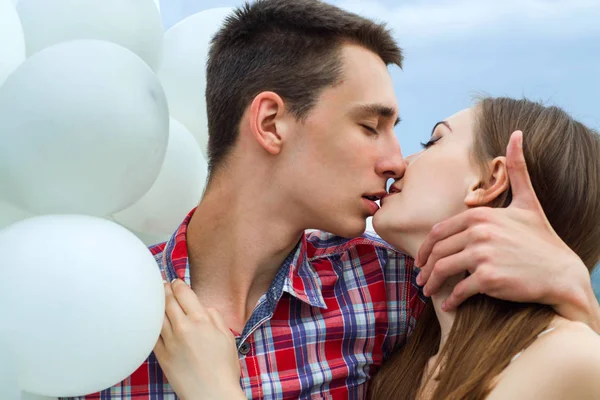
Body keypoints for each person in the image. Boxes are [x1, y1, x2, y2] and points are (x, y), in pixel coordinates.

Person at [67, 1, 600, 399]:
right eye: (370, 126)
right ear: (272, 123)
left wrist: (572, 285)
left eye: (422, 137)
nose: (395, 162)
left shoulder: (396, 289)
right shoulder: (104, 308)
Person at [368, 98, 600, 399]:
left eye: (433, 141)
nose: (399, 165)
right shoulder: (408, 360)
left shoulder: (567, 357)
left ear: (490, 180)